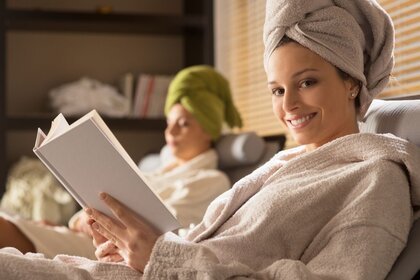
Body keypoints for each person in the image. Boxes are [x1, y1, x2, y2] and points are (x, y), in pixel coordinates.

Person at [0, 0, 420, 279]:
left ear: (352, 83)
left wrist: (163, 260)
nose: (288, 104)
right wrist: (130, 246)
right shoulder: (280, 167)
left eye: (307, 82)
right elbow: (205, 247)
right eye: (277, 89)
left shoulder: (377, 181)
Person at [0, 65, 242, 259]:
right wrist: (78, 220)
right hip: (89, 235)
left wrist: (92, 222)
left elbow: (159, 231)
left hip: (116, 248)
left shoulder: (211, 181)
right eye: (169, 122)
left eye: (184, 123)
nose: (171, 132)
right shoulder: (157, 170)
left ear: (209, 130)